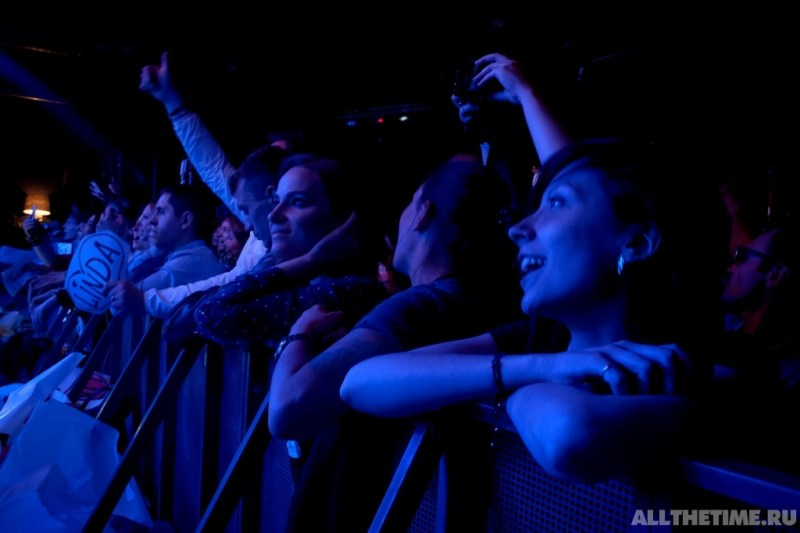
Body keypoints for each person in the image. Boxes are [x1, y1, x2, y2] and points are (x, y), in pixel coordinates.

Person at [340, 54, 729, 484]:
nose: (519, 229)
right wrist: (540, 367)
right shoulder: (543, 342)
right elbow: (359, 382)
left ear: (636, 243)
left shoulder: (690, 367)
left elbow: (571, 435)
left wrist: (519, 384)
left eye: (555, 204)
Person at [193, 153, 389, 350]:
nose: (273, 214)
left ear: (341, 220)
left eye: (297, 202)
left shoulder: (350, 290)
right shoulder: (312, 281)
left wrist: (312, 259)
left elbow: (210, 313)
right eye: (277, 201)